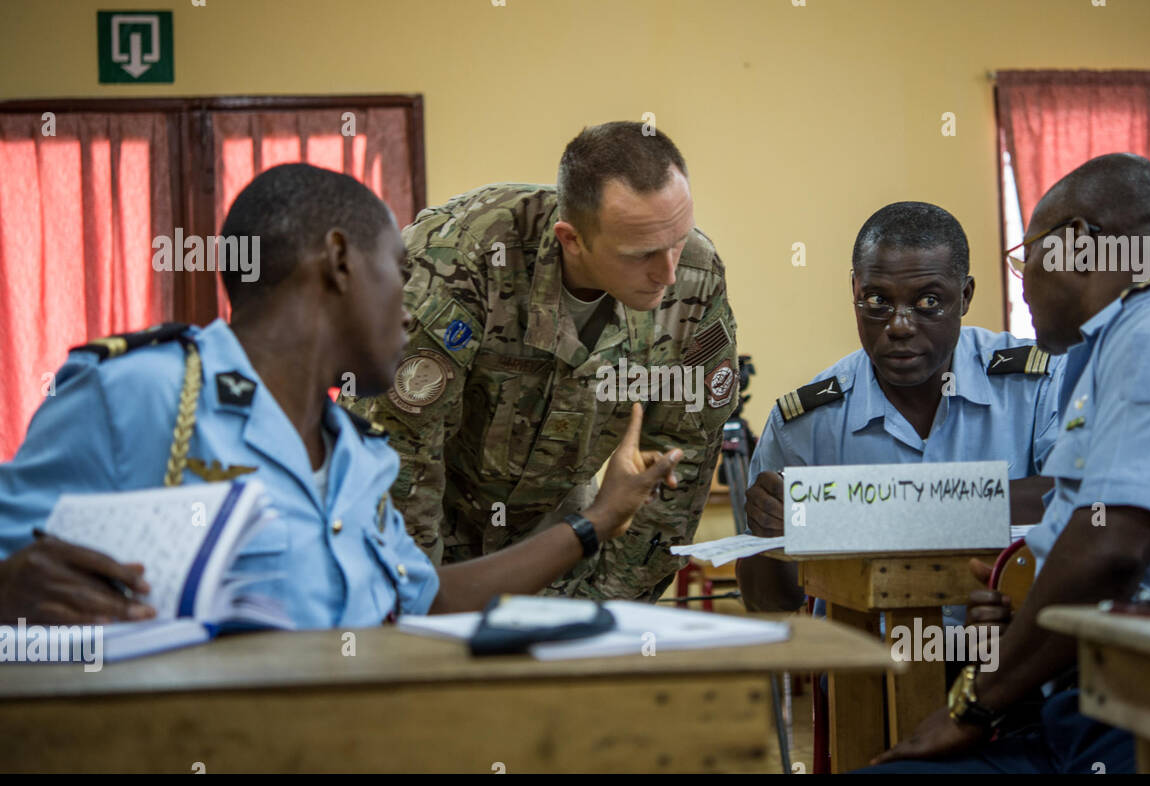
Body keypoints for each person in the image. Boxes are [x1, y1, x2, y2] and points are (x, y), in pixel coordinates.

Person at [0, 163, 681, 627]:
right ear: (337, 262)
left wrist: (600, 518)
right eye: (400, 272)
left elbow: (426, 600)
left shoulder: (354, 458)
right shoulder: (143, 397)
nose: (411, 309)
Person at [868, 154, 1150, 773]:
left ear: (1076, 245)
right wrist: (1026, 609)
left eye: (1027, 256)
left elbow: (1112, 551)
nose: (1022, 282)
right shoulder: (1121, 343)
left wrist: (970, 707)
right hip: (1093, 693)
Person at [348, 121, 737, 602]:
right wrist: (418, 611)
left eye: (678, 240)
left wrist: (605, 610)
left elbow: (682, 459)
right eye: (642, 255)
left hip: (562, 527)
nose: (667, 273)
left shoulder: (696, 278)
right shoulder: (459, 262)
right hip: (435, 521)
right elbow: (400, 456)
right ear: (571, 239)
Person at [737, 202, 1062, 613]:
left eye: (928, 301)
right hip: (869, 667)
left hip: (1005, 655)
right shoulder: (804, 422)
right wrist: (769, 536)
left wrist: (867, 510)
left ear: (965, 296)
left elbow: (1071, 500)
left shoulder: (1036, 385)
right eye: (877, 300)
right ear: (854, 292)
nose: (899, 325)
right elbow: (768, 602)